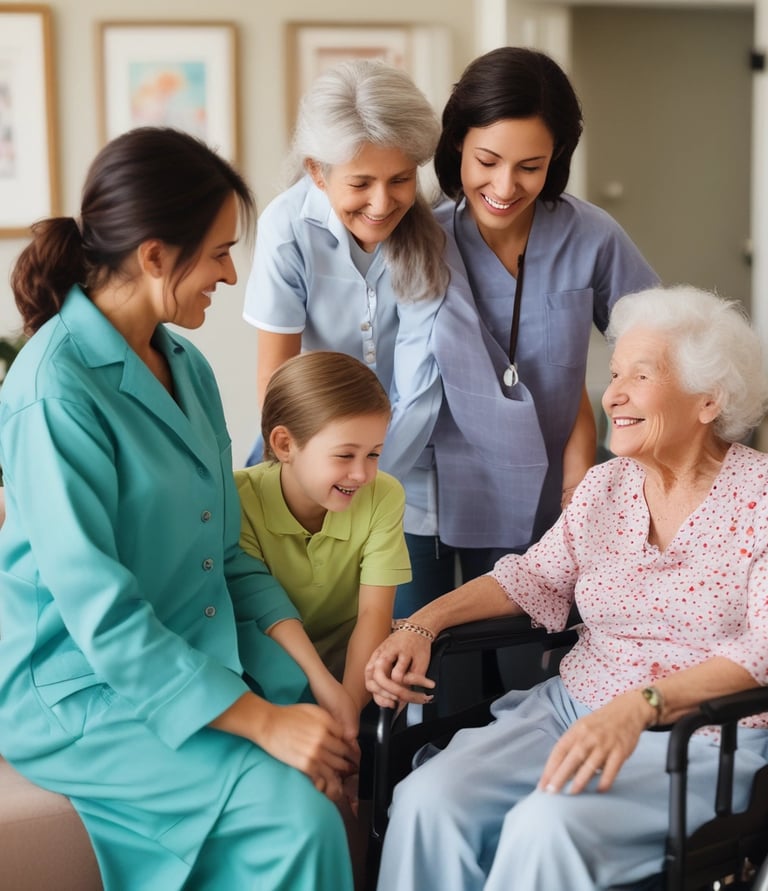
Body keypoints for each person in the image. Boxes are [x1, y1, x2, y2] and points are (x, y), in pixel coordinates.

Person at [0, 127, 359, 891]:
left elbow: (225, 554)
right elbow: (102, 613)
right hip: (78, 688)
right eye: (220, 251)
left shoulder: (186, 363)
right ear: (155, 255)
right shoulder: (50, 391)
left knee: (332, 745)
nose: (232, 274)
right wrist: (263, 720)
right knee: (296, 818)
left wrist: (316, 680)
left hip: (190, 647)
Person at [365, 284, 768, 891]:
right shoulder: (607, 486)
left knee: (546, 826)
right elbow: (532, 577)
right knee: (431, 797)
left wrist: (643, 706)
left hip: (702, 740)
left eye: (641, 375)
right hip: (570, 711)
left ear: (708, 400)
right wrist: (425, 622)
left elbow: (762, 649)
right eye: (613, 373)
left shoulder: (759, 500)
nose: (614, 395)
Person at [394, 47, 661, 617]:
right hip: (425, 493)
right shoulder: (420, 237)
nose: (505, 186)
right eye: (486, 160)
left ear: (557, 157)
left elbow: (658, 346)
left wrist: (601, 466)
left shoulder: (591, 236)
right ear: (456, 143)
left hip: (544, 494)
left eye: (530, 167)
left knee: (524, 673)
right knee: (429, 672)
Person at [241, 59, 448, 576]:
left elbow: (419, 390)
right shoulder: (286, 228)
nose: (382, 203)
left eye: (400, 179)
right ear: (317, 171)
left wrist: (365, 482)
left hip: (403, 455)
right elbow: (277, 380)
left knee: (399, 619)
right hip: (309, 451)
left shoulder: (428, 235)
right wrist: (318, 480)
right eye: (361, 184)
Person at [234, 350, 411, 716]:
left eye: (374, 455)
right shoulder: (237, 498)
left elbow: (373, 616)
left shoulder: (384, 495)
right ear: (284, 445)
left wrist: (347, 707)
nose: (362, 474)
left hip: (352, 677)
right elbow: (262, 613)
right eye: (345, 455)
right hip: (262, 686)